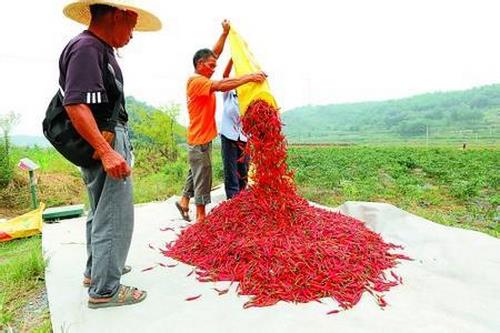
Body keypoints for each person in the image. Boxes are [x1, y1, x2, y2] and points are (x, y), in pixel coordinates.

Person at [59, 0, 161, 308]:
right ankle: (105, 289)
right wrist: (106, 151)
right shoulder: (87, 48)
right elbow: (76, 104)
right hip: (103, 140)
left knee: (101, 211)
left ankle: (97, 271)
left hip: (101, 139)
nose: (132, 34)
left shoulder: (96, 49)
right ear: (117, 16)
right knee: (115, 214)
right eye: (132, 25)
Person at [175, 20, 266, 222]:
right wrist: (250, 77)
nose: (214, 68)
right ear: (200, 65)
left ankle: (183, 201)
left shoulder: (201, 73)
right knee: (203, 175)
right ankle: (201, 217)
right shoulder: (198, 81)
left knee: (196, 169)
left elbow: (213, 54)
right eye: (211, 66)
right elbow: (223, 84)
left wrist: (224, 34)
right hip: (199, 140)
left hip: (201, 138)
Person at [220, 59, 249, 199]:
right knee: (231, 169)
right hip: (229, 135)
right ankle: (232, 199)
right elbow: (225, 76)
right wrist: (233, 58)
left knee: (243, 169)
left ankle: (242, 198)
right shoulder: (229, 93)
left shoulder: (249, 97)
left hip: (244, 137)